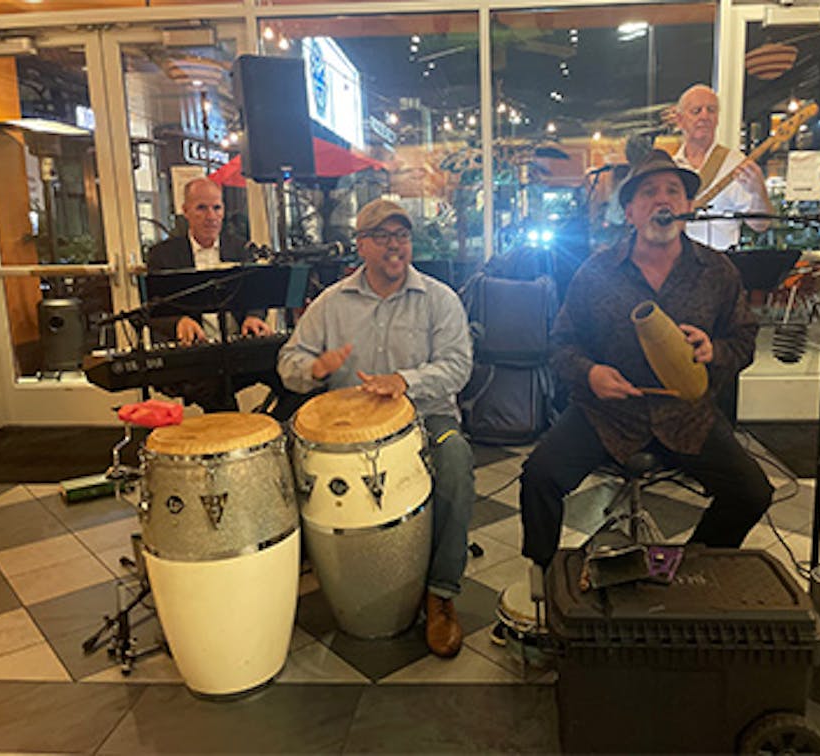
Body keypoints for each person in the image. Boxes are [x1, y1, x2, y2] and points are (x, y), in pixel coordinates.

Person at [519, 150, 773, 570]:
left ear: (688, 207)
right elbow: (561, 345)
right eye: (649, 192)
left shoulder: (717, 271)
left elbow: (744, 339)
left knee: (752, 493)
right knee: (539, 477)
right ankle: (545, 580)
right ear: (630, 212)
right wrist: (591, 373)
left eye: (673, 191)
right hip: (609, 414)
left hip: (687, 416)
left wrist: (716, 351)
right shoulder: (596, 272)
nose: (663, 200)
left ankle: (688, 565)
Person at [277, 198, 475, 658]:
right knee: (283, 459)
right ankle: (313, 573)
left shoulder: (440, 299)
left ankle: (441, 594)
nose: (395, 245)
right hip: (347, 430)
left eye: (401, 236)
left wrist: (405, 382)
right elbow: (289, 361)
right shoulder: (331, 304)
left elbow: (458, 366)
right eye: (383, 236)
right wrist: (316, 369)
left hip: (427, 419)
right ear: (361, 245)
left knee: (456, 461)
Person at [146, 177, 280, 413]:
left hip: (239, 347)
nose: (211, 216)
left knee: (293, 376)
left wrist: (254, 317)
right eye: (201, 208)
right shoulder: (163, 255)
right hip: (196, 354)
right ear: (185, 211)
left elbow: (256, 299)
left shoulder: (241, 249)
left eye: (217, 207)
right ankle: (234, 442)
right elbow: (152, 310)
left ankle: (268, 430)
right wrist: (179, 322)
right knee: (218, 394)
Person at [672, 84, 772, 251]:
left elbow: (760, 224)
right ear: (680, 120)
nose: (705, 116)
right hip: (679, 265)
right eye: (696, 111)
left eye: (711, 110)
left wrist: (758, 192)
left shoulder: (736, 163)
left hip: (722, 264)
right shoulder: (671, 167)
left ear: (717, 118)